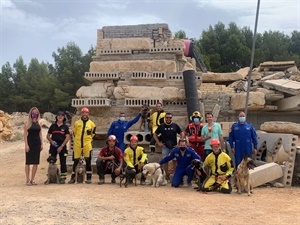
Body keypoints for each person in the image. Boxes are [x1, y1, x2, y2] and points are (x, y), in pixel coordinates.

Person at [68, 107, 96, 184]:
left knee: (88, 161)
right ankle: (73, 178)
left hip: (87, 144)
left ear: (88, 114)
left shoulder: (92, 124)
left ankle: (89, 178)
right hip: (77, 144)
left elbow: (93, 133)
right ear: (81, 113)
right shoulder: (77, 123)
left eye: (86, 113)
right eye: (83, 113)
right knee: (76, 161)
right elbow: (74, 133)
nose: (84, 114)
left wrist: (88, 139)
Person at [153, 112, 185, 178]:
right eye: (167, 117)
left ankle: (175, 175)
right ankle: (165, 176)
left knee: (175, 161)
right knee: (165, 161)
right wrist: (158, 142)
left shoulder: (175, 125)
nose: (168, 119)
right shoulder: (161, 126)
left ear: (171, 118)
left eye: (170, 117)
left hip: (174, 147)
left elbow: (182, 133)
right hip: (165, 147)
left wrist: (180, 143)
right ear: (165, 118)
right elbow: (155, 134)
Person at [46, 111, 70, 184]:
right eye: (59, 115)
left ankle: (62, 178)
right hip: (53, 145)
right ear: (56, 117)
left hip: (62, 145)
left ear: (64, 117)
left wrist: (62, 146)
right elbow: (48, 135)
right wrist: (51, 141)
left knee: (63, 162)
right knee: (51, 161)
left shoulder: (65, 127)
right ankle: (50, 178)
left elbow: (68, 137)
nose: (60, 117)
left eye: (62, 116)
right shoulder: (53, 126)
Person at [23, 107, 43, 186]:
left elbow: (40, 134)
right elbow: (25, 134)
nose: (34, 114)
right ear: (31, 113)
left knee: (35, 162)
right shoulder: (27, 123)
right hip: (30, 142)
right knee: (28, 162)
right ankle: (27, 179)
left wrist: (42, 144)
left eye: (36, 112)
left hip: (37, 143)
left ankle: (32, 179)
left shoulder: (39, 123)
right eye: (33, 112)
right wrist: (26, 144)